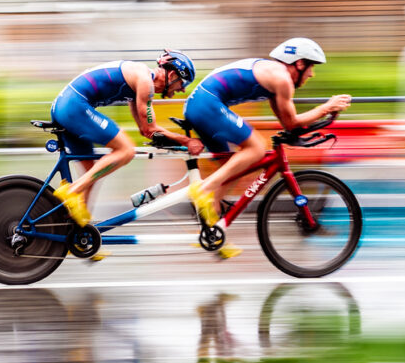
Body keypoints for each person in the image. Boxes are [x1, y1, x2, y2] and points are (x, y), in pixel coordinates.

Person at [184, 37, 352, 235]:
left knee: (230, 169)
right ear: (299, 63)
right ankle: (203, 190)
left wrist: (322, 116)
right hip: (206, 104)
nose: (312, 74)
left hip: (200, 105)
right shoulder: (282, 79)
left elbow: (288, 124)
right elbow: (292, 122)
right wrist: (326, 107)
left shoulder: (273, 76)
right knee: (256, 147)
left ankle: (212, 231)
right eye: (311, 67)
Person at [51, 50, 205, 226]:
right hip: (74, 106)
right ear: (171, 75)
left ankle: (78, 230)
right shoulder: (145, 82)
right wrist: (186, 141)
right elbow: (151, 128)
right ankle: (72, 191)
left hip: (65, 105)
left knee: (91, 171)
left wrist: (170, 139)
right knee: (125, 151)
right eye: (183, 82)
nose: (183, 89)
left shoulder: (138, 84)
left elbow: (145, 130)